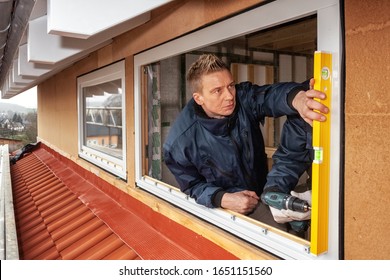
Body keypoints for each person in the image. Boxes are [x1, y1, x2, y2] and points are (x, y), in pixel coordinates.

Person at [163, 54, 327, 227]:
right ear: (199, 98)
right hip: (227, 210)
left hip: (264, 190)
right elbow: (192, 185)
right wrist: (222, 198)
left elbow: (270, 96)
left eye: (231, 86)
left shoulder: (243, 98)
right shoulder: (179, 143)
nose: (229, 96)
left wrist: (297, 98)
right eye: (217, 90)